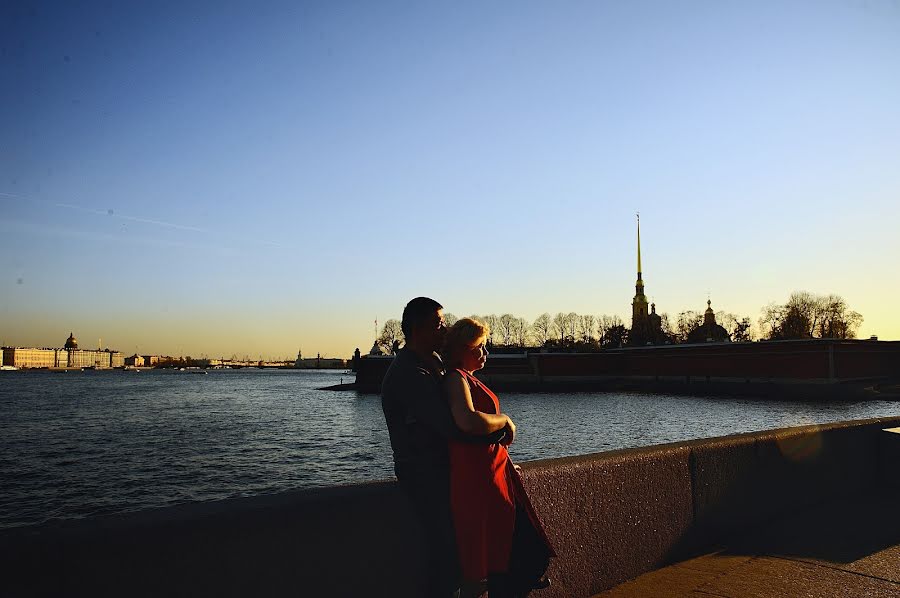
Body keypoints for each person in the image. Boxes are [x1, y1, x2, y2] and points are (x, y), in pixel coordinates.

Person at [381, 297, 508, 598]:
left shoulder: (432, 365)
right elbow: (453, 427)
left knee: (458, 555)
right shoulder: (409, 374)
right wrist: (501, 428)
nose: (444, 330)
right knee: (448, 556)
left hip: (441, 472)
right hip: (425, 477)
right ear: (417, 328)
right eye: (439, 324)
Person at [442, 318, 554, 598]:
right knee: (495, 556)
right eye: (480, 347)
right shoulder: (456, 377)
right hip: (480, 477)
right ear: (463, 348)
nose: (485, 353)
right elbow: (467, 420)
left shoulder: (465, 377)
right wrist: (505, 420)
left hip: (492, 472)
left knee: (505, 551)